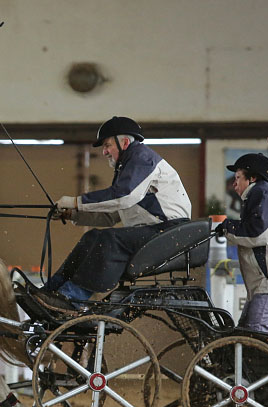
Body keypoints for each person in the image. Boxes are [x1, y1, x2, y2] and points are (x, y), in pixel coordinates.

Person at [35, 116, 192, 306]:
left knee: (110, 240)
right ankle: (53, 291)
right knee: (91, 238)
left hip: (170, 232)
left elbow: (122, 196)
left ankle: (72, 298)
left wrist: (75, 201)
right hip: (157, 232)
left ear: (124, 142)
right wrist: (73, 214)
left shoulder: (141, 158)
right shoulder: (129, 166)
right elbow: (111, 215)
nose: (104, 152)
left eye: (107, 145)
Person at [215, 153, 268, 332]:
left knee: (255, 331)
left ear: (252, 178)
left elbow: (258, 234)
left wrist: (227, 227)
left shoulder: (262, 192)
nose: (234, 183)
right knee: (244, 331)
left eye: (238, 177)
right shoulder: (266, 195)